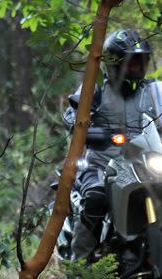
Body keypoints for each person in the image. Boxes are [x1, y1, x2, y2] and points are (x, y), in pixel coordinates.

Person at [61, 29, 153, 262]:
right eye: (131, 64)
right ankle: (80, 269)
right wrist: (81, 126)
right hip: (100, 166)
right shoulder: (96, 91)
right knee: (95, 197)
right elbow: (72, 114)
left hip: (143, 166)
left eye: (140, 63)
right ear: (114, 65)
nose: (136, 69)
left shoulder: (151, 92)